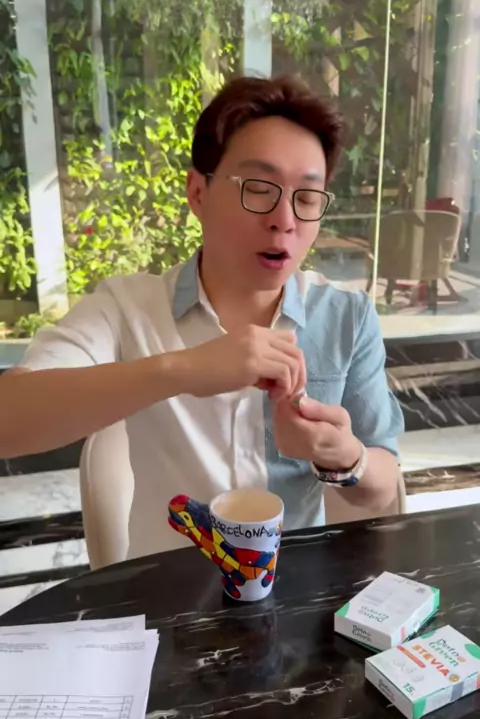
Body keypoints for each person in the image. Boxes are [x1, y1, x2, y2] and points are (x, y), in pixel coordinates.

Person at [0, 75, 404, 558]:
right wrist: (185, 369)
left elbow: (382, 488)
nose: (285, 220)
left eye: (307, 197)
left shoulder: (346, 316)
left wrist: (344, 457)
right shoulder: (128, 308)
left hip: (294, 592)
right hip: (166, 595)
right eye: (259, 188)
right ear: (198, 192)